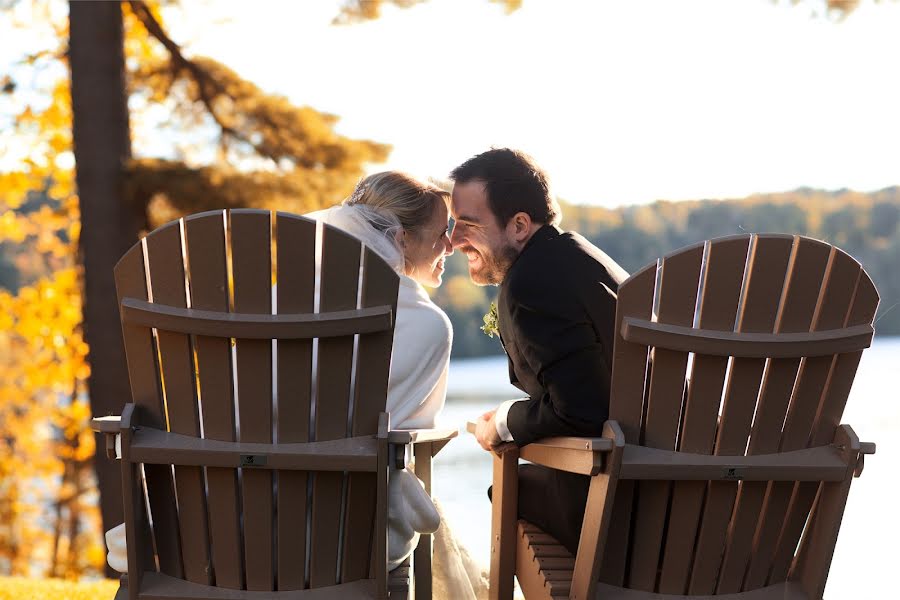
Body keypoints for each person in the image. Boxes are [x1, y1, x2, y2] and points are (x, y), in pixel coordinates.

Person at [104, 171, 487, 599]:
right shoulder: (429, 326)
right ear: (399, 240)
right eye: (441, 233)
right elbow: (404, 438)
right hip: (340, 545)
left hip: (212, 533)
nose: (450, 246)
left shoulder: (276, 301)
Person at [449, 148, 629, 556]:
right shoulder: (578, 255)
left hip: (615, 514)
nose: (454, 239)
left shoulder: (531, 283)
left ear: (519, 225)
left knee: (507, 490)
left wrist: (503, 423)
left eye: (467, 224)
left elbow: (582, 410)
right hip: (667, 488)